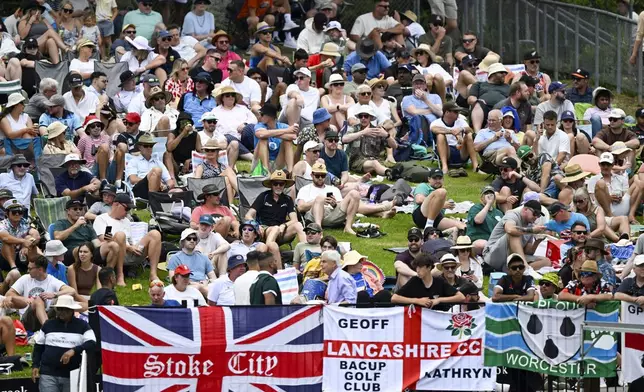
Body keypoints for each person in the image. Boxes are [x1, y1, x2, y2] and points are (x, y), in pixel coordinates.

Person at [93, 193, 163, 281]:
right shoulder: (102, 218)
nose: (127, 212)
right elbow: (104, 239)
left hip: (128, 252)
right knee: (120, 235)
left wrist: (133, 247)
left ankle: (153, 274)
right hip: (113, 252)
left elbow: (130, 241)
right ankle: (120, 275)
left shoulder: (126, 221)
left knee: (155, 234)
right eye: (127, 209)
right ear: (116, 204)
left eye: (129, 209)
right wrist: (128, 247)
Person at [32, 294, 96, 391]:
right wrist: (35, 365)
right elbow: (38, 347)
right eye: (59, 309)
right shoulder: (48, 325)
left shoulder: (82, 325)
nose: (61, 312)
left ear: (72, 310)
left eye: (64, 309)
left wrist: (74, 350)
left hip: (72, 374)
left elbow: (92, 342)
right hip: (48, 373)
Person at [7, 256, 75, 332]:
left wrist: (55, 294)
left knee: (61, 298)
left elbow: (71, 291)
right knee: (38, 300)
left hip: (47, 315)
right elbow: (8, 294)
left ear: (40, 269)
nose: (27, 271)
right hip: (28, 320)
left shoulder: (52, 280)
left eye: (30, 269)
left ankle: (64, 328)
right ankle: (48, 330)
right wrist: (24, 299)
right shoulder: (25, 278)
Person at [483, 199, 551, 272]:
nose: (536, 217)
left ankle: (517, 270)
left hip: (512, 257)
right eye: (535, 213)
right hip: (493, 255)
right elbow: (509, 229)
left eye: (539, 215)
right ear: (525, 209)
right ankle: (525, 268)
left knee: (546, 261)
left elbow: (528, 251)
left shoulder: (530, 225)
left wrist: (538, 241)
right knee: (514, 233)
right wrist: (531, 230)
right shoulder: (512, 215)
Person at [296, 162, 361, 235]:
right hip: (314, 215)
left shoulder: (333, 189)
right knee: (320, 198)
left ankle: (348, 227)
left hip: (333, 213)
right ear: (312, 175)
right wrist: (317, 202)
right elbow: (300, 208)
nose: (320, 178)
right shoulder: (305, 189)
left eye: (323, 175)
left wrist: (334, 204)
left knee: (355, 193)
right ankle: (318, 229)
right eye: (317, 176)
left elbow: (340, 205)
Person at [246, 170, 306, 247]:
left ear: (284, 185)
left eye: (281, 184)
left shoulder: (288, 199)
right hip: (264, 230)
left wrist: (284, 225)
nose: (278, 186)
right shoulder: (264, 196)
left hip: (281, 230)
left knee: (298, 225)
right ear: (271, 185)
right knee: (275, 228)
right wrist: (256, 225)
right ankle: (269, 253)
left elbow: (294, 220)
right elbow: (248, 215)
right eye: (275, 184)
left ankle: (306, 253)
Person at [391, 253, 465, 310]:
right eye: (416, 267)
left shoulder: (439, 281)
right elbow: (394, 298)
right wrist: (417, 301)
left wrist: (438, 300)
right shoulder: (414, 281)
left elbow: (461, 297)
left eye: (420, 267)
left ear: (429, 267)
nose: (417, 270)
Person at [209, 86, 256, 169]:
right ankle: (252, 157)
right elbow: (214, 129)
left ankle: (246, 152)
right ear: (222, 98)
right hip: (229, 141)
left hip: (244, 137)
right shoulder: (215, 111)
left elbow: (254, 120)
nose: (231, 97)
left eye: (232, 95)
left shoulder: (243, 108)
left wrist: (245, 124)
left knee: (250, 127)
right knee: (228, 137)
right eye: (227, 95)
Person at [343, 105, 397, 176]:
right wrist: (362, 132)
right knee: (374, 164)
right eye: (360, 116)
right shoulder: (355, 129)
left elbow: (394, 146)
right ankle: (389, 173)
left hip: (376, 161)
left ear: (370, 117)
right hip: (357, 162)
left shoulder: (377, 130)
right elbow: (344, 139)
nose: (363, 118)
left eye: (366, 116)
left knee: (376, 163)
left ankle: (388, 172)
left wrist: (387, 135)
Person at [587, 152, 641, 222]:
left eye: (608, 164)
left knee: (640, 184)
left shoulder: (621, 178)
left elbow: (626, 195)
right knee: (601, 183)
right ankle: (610, 216)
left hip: (620, 205)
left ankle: (631, 215)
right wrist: (608, 198)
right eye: (603, 164)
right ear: (599, 164)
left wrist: (619, 198)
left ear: (612, 165)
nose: (605, 167)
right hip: (603, 210)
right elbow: (593, 200)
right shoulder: (593, 179)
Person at [412, 168, 466, 233]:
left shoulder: (442, 191)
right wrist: (442, 205)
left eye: (440, 178)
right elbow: (419, 199)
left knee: (463, 226)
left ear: (443, 179)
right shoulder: (424, 186)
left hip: (437, 218)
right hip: (421, 214)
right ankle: (428, 226)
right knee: (441, 192)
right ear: (429, 179)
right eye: (435, 178)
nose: (437, 181)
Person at [431, 101, 477, 174]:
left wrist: (462, 129)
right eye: (455, 112)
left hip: (461, 150)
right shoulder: (436, 122)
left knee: (469, 135)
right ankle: (444, 166)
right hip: (446, 151)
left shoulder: (461, 121)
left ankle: (475, 166)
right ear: (447, 112)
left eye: (458, 111)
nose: (458, 114)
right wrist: (451, 131)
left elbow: (470, 130)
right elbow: (434, 129)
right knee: (440, 136)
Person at [126, 133, 176, 199]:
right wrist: (154, 181)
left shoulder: (158, 162)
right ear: (140, 147)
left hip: (158, 189)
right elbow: (133, 179)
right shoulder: (133, 161)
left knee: (178, 190)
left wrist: (166, 187)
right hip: (140, 189)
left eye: (151, 146)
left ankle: (153, 200)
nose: (149, 148)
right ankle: (154, 201)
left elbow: (170, 181)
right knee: (156, 170)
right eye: (146, 146)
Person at [167, 228, 215, 295]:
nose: (192, 241)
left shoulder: (203, 257)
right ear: (183, 241)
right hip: (186, 285)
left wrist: (208, 281)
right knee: (199, 288)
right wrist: (195, 284)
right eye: (189, 238)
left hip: (205, 285)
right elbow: (173, 279)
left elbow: (213, 278)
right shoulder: (175, 258)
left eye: (194, 239)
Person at [253, 103, 297, 174]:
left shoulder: (282, 126)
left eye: (262, 114)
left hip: (277, 162)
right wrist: (285, 131)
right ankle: (266, 172)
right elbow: (260, 134)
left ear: (270, 116)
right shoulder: (259, 125)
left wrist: (270, 134)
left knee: (287, 141)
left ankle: (290, 172)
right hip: (259, 163)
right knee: (263, 139)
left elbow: (293, 137)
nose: (260, 117)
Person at [0, 199, 41, 272]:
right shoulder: (2, 224)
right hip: (5, 258)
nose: (17, 214)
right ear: (7, 213)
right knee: (8, 243)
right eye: (14, 212)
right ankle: (13, 268)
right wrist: (23, 242)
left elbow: (36, 235)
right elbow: (5, 237)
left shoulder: (24, 222)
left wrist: (27, 244)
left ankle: (34, 265)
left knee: (30, 238)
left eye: (20, 211)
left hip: (21, 256)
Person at [468, 63, 510, 132]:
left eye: (505, 73)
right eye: (501, 72)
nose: (504, 75)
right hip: (483, 109)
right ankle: (477, 133)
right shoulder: (479, 85)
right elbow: (471, 99)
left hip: (501, 110)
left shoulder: (508, 87)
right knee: (477, 104)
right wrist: (479, 101)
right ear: (493, 73)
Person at [466, 186, 503, 255]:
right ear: (481, 198)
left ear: (494, 198)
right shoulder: (475, 208)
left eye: (491, 194)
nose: (489, 195)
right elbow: (478, 220)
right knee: (483, 245)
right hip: (478, 240)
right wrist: (488, 204)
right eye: (486, 193)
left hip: (495, 241)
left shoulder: (499, 213)